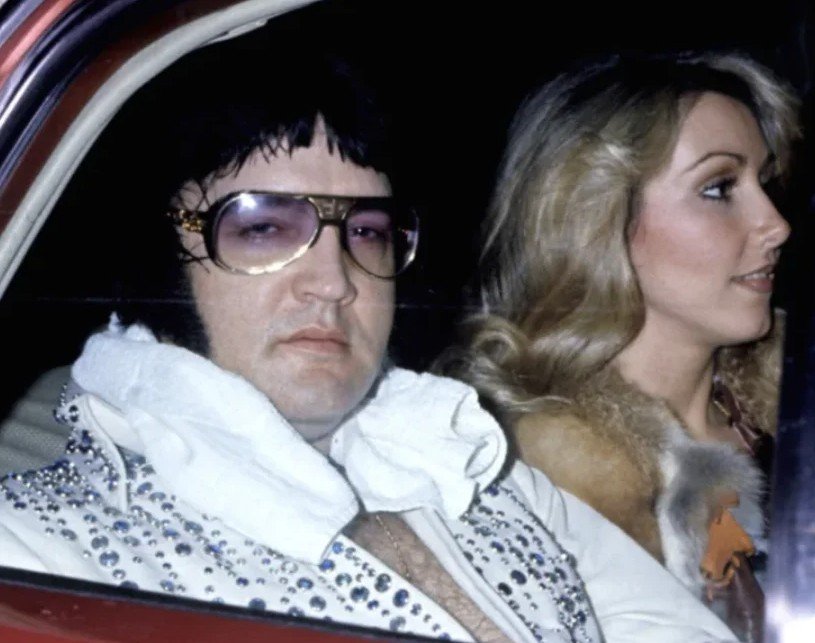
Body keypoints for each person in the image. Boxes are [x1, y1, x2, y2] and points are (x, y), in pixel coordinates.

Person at [0, 39, 737, 642]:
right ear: (156, 256)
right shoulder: (37, 550)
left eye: (365, 231)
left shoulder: (476, 467)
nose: (334, 280)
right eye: (263, 226)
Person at [444, 52, 800, 642]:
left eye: (763, 183)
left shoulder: (808, 413)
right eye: (719, 188)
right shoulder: (530, 486)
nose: (776, 224)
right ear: (598, 217)